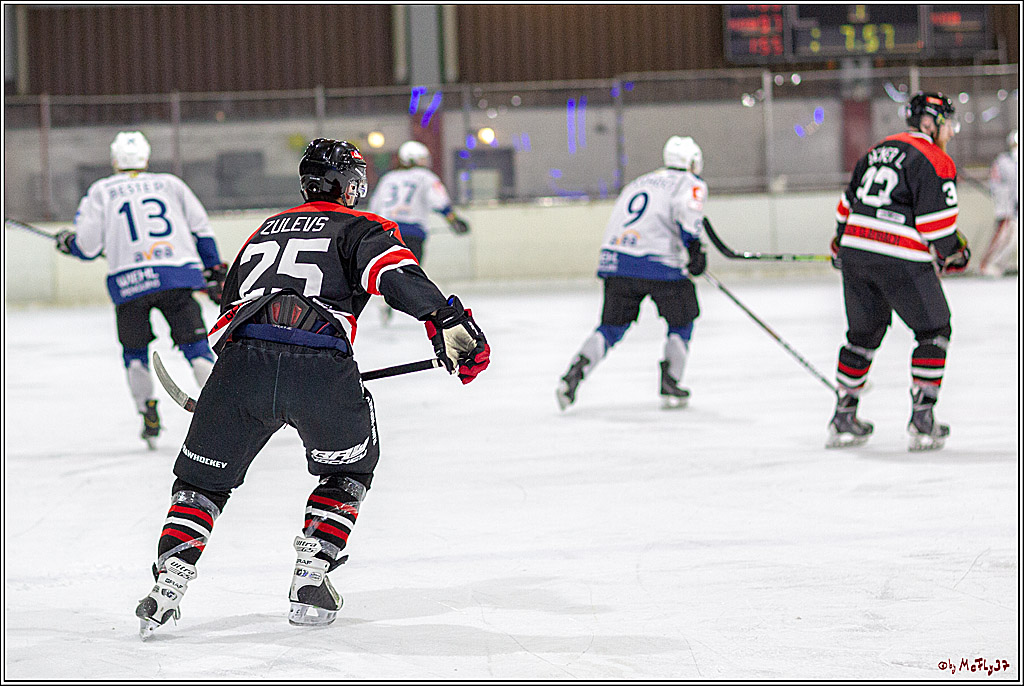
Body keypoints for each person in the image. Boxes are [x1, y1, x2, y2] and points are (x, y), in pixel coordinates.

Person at [134, 138, 490, 638]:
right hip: (321, 367)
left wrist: (250, 379)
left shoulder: (263, 230)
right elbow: (395, 274)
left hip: (238, 368)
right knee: (349, 471)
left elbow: (231, 305)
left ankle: (166, 586)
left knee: (200, 486)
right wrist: (444, 319)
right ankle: (312, 575)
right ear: (346, 182)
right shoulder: (364, 227)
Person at [54, 131, 227, 450]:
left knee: (134, 354)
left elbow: (87, 246)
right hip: (176, 277)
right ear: (146, 158)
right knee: (196, 346)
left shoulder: (101, 190)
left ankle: (147, 412)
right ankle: (224, 409)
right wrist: (213, 268)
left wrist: (69, 244)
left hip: (129, 283)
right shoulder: (170, 183)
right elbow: (201, 229)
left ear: (114, 159)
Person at [827, 92, 970, 452]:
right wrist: (957, 253)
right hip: (899, 254)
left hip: (856, 251)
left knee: (862, 334)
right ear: (929, 123)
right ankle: (922, 419)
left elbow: (846, 208)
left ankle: (843, 416)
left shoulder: (877, 149)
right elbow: (937, 228)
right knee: (934, 328)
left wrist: (841, 249)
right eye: (947, 123)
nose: (950, 131)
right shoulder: (935, 158)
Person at [556, 135, 708, 410]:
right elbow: (687, 218)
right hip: (659, 263)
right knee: (682, 320)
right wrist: (695, 251)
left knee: (611, 327)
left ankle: (575, 372)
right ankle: (671, 381)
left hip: (617, 263)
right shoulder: (690, 182)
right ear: (691, 161)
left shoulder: (640, 182)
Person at [368, 140, 470, 324]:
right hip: (412, 232)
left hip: (386, 231)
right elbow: (439, 202)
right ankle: (425, 311)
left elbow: (375, 207)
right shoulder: (425, 176)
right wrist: (454, 220)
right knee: (410, 274)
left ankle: (386, 303)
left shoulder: (388, 178)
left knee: (389, 270)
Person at [979, 129, 1018, 277]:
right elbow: (997, 183)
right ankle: (986, 264)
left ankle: (996, 265)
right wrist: (1005, 203)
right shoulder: (1004, 161)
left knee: (1013, 238)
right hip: (1006, 206)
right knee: (1002, 235)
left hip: (1014, 207)